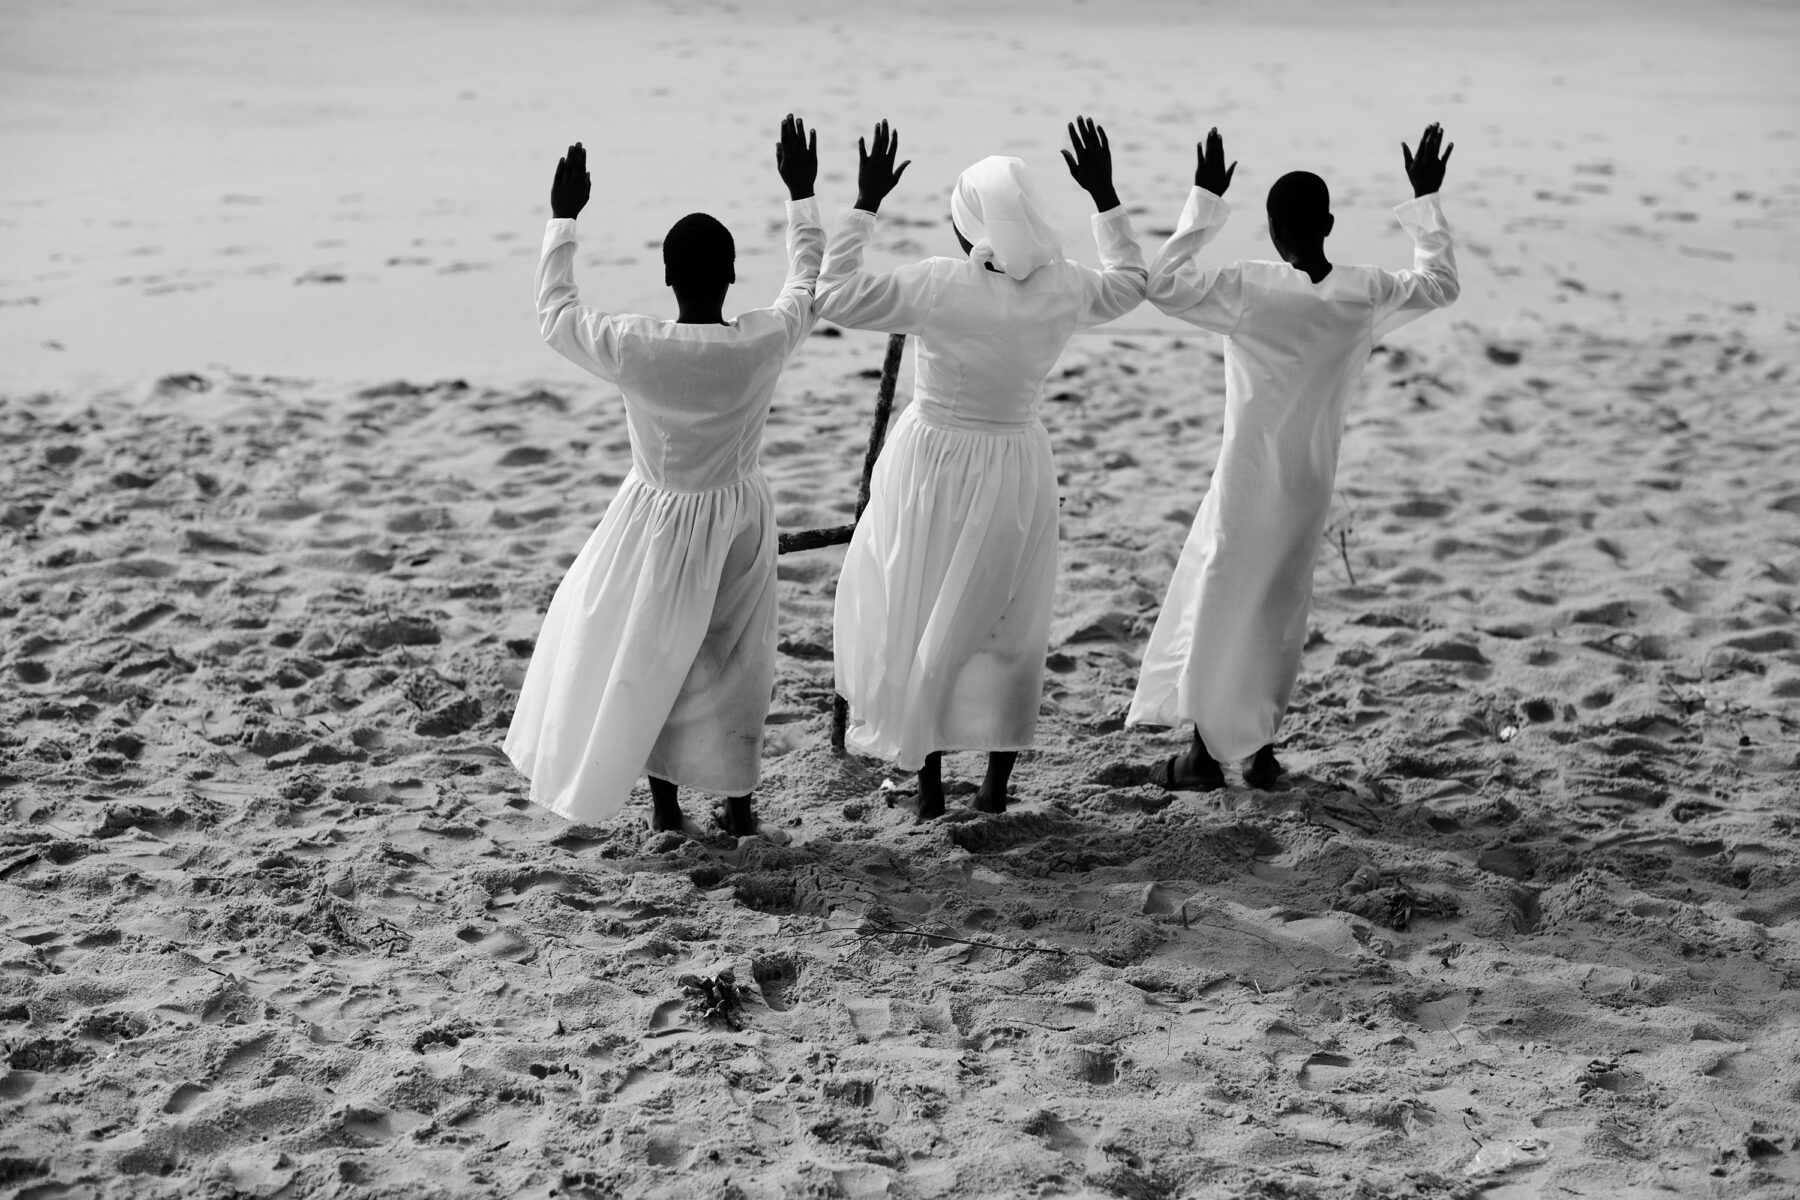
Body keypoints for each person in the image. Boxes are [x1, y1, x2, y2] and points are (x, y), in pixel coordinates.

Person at [818, 117, 1149, 820]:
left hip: (933, 461)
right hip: (1018, 463)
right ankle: (995, 790)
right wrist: (1105, 195)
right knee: (1009, 617)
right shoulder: (1066, 286)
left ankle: (930, 789)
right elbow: (1132, 282)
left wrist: (865, 204)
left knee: (922, 609)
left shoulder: (938, 284)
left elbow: (832, 295)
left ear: (968, 227)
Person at [503, 116, 823, 838]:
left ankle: (667, 808)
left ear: (670, 278)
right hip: (739, 518)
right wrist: (801, 196)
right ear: (733, 276)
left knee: (653, 656)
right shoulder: (759, 344)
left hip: (655, 517)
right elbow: (808, 284)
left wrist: (564, 218)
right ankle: (737, 807)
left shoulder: (636, 346)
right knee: (737, 661)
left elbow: (556, 315)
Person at [1130, 123, 1459, 790]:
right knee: (1278, 610)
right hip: (1307, 483)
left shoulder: (1251, 287)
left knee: (1222, 596)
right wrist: (1424, 202)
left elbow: (1163, 284)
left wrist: (1205, 201)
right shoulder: (1361, 294)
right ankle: (1257, 753)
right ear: (1330, 223)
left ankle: (1202, 757)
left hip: (1247, 476)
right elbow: (1440, 283)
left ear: (1274, 231)